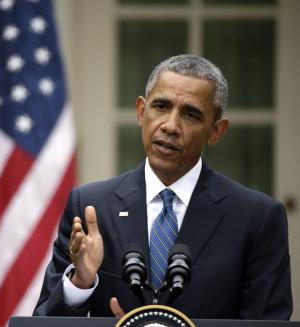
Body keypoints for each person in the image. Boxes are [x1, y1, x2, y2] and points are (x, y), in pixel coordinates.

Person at [33, 54, 292, 319]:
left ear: (216, 131)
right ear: (141, 112)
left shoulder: (257, 218)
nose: (170, 126)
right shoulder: (90, 207)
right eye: (161, 107)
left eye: (190, 115)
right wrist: (80, 283)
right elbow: (45, 322)